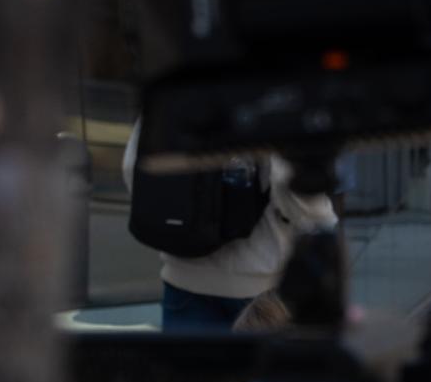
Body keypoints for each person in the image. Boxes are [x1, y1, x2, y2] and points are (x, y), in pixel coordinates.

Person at [120, 122, 338, 333]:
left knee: (189, 370)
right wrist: (327, 227)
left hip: (181, 281)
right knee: (258, 369)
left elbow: (132, 167)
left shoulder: (174, 93)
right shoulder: (266, 94)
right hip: (258, 289)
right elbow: (290, 183)